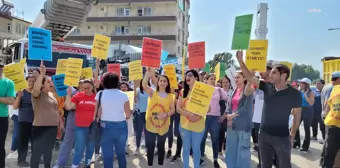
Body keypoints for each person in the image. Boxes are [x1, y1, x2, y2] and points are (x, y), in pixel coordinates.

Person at [236, 50, 302, 168]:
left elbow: (297, 116)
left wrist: (292, 136)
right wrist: (241, 61)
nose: (270, 75)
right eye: (270, 72)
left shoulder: (295, 94)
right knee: (264, 165)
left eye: (274, 73)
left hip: (282, 137)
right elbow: (250, 77)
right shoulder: (267, 87)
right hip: (264, 135)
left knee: (284, 165)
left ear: (284, 75)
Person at [31, 61, 64, 168]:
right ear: (42, 84)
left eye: (51, 82)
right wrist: (41, 74)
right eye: (48, 82)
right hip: (40, 128)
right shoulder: (37, 94)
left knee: (48, 152)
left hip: (52, 128)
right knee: (37, 153)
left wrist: (60, 123)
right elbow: (36, 88)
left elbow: (55, 110)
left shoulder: (52, 94)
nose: (51, 83)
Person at [96, 72, 131, 168]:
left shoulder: (100, 94)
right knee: (121, 154)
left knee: (107, 155)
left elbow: (97, 113)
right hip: (121, 126)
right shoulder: (123, 95)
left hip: (105, 126)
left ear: (104, 82)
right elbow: (128, 115)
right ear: (117, 82)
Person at [142, 68, 175, 167]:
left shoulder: (171, 96)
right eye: (161, 80)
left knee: (161, 146)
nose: (162, 82)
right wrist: (148, 73)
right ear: (158, 82)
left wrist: (165, 115)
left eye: (165, 81)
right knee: (150, 146)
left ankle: (160, 165)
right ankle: (150, 165)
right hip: (151, 125)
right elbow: (144, 85)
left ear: (167, 83)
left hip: (164, 125)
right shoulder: (152, 92)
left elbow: (173, 110)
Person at [223, 72, 253, 168]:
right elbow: (228, 105)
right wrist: (228, 116)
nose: (236, 79)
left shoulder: (248, 91)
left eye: (238, 77)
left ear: (244, 78)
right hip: (231, 125)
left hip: (243, 125)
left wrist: (233, 115)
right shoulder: (233, 91)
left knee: (242, 151)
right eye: (235, 77)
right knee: (231, 148)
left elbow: (246, 107)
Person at [64, 80, 97, 168]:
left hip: (92, 126)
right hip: (80, 127)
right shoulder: (78, 95)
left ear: (92, 87)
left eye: (88, 88)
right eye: (84, 88)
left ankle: (88, 165)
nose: (86, 90)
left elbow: (100, 111)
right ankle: (74, 165)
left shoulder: (96, 97)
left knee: (90, 148)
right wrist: (68, 94)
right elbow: (68, 107)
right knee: (79, 148)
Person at [176, 70, 205, 168]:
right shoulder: (182, 92)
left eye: (190, 75)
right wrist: (189, 115)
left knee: (196, 149)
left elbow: (207, 108)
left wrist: (197, 116)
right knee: (186, 148)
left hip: (198, 126)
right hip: (184, 126)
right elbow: (178, 109)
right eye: (186, 75)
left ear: (196, 78)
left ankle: (197, 166)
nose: (187, 77)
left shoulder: (203, 92)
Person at [53, 81, 84, 168]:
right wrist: (69, 95)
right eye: (80, 85)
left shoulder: (90, 95)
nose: (82, 87)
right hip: (73, 119)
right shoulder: (73, 93)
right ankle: (60, 163)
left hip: (85, 120)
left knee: (81, 143)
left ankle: (76, 163)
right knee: (67, 142)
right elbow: (68, 106)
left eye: (84, 86)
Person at [200, 73, 228, 167]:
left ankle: (215, 159)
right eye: (211, 79)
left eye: (214, 79)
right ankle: (201, 157)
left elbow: (229, 100)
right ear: (206, 80)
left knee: (215, 139)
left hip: (215, 118)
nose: (213, 80)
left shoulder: (219, 90)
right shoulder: (202, 89)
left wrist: (224, 114)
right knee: (202, 139)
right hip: (204, 118)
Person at [11, 76, 35, 167]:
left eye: (33, 81)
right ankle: (21, 160)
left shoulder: (36, 93)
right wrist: (19, 97)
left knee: (35, 141)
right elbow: (15, 106)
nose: (31, 83)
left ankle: (35, 158)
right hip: (24, 120)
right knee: (23, 142)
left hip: (35, 121)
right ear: (26, 82)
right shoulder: (21, 92)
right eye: (29, 81)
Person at [0, 64, 15, 168]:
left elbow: (11, 100)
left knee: (0, 146)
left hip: (2, 117)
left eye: (1, 67)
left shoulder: (9, 82)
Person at [294, 78, 315, 151]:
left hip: (308, 110)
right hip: (300, 109)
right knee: (295, 126)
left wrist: (306, 95)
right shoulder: (299, 91)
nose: (300, 84)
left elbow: (311, 103)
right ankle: (296, 142)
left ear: (306, 84)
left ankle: (305, 146)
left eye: (302, 83)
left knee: (306, 128)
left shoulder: (311, 92)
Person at [218, 76, 232, 159]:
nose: (225, 84)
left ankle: (225, 149)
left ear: (230, 83)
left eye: (227, 82)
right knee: (221, 134)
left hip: (231, 116)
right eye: (224, 82)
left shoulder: (233, 92)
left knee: (229, 135)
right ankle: (220, 152)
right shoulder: (219, 92)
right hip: (221, 116)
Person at [134, 79, 149, 155]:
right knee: (139, 131)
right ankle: (137, 147)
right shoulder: (138, 90)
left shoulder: (151, 90)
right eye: (143, 82)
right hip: (139, 113)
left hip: (148, 114)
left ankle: (147, 148)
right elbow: (135, 100)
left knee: (147, 132)